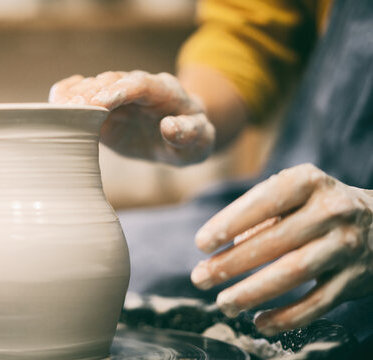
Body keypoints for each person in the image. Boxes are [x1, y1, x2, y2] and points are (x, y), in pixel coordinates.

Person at [49, 0, 373, 341]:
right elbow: (248, 30)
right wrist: (193, 108)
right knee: (71, 264)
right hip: (299, 203)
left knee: (345, 327)